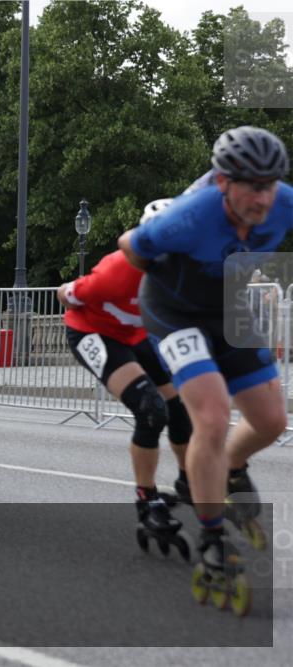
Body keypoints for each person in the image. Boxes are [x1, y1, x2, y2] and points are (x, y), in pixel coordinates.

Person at [118, 126, 291, 611]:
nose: (263, 197)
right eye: (252, 186)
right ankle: (212, 537)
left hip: (229, 306)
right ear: (222, 182)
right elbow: (129, 244)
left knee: (272, 421)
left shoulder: (284, 203)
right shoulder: (187, 216)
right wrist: (164, 270)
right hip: (174, 312)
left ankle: (232, 467)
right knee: (211, 417)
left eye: (270, 184)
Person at [58, 198, 192, 559]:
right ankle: (146, 499)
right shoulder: (114, 273)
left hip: (138, 335)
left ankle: (187, 479)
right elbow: (66, 294)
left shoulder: (187, 272)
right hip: (93, 332)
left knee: (182, 410)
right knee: (151, 409)